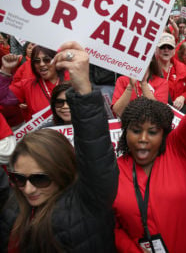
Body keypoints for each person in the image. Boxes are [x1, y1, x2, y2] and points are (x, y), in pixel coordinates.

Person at [112, 14, 186, 252]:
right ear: (125, 134)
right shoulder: (113, 170)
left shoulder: (179, 150)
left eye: (153, 132)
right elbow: (110, 224)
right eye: (136, 131)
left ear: (165, 134)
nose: (143, 138)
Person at [0, 43, 118, 252]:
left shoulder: (87, 203)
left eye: (40, 178)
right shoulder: (12, 212)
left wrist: (83, 90)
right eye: (19, 178)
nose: (28, 189)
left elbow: (95, 155)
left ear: (61, 171)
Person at [0, 46, 69, 120]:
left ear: (56, 60)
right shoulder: (27, 85)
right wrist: (6, 69)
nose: (41, 64)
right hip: (43, 131)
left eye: (47, 60)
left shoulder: (72, 80)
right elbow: (3, 98)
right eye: (36, 61)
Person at [156, 32, 186, 112]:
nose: (166, 50)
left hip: (177, 114)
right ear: (156, 49)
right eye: (163, 47)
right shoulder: (149, 69)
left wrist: (183, 97)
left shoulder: (182, 69)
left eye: (170, 47)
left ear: (174, 50)